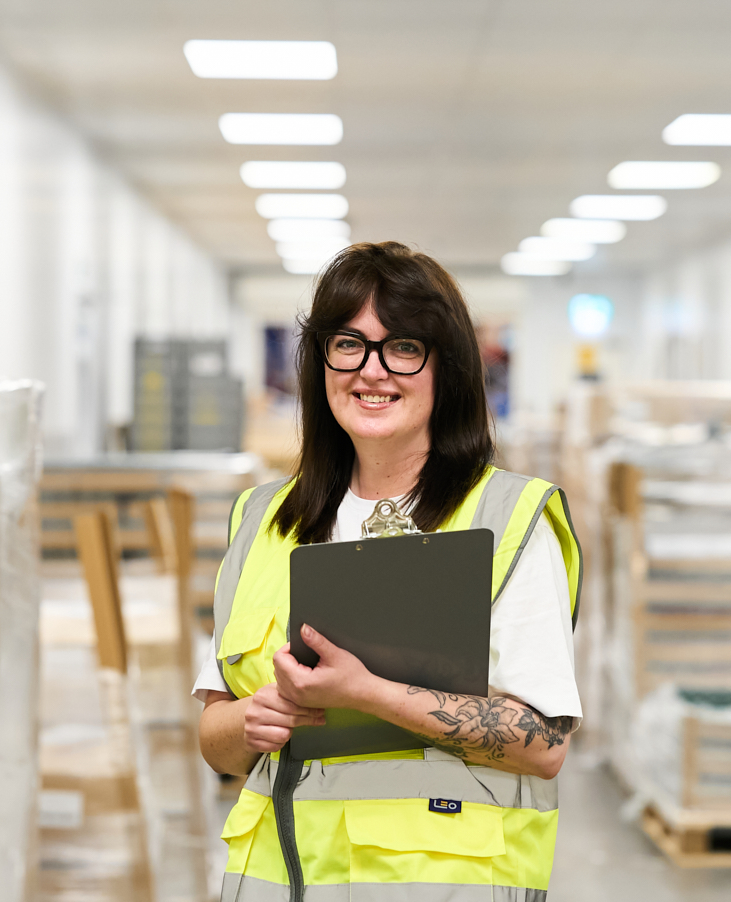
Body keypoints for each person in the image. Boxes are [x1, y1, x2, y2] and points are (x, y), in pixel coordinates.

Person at [193, 241, 583, 902]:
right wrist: (252, 721)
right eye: (348, 344)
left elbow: (541, 744)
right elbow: (216, 737)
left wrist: (368, 694)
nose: (371, 371)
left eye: (403, 347)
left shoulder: (507, 519)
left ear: (447, 368)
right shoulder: (262, 520)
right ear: (320, 362)